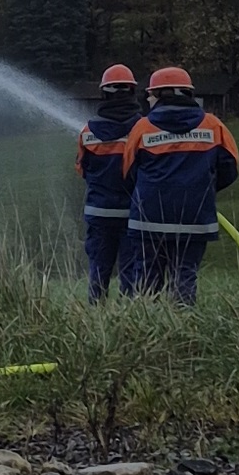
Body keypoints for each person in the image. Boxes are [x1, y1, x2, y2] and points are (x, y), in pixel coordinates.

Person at [121, 67, 239, 305]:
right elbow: (231, 168)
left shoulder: (142, 128)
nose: (147, 99)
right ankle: (184, 330)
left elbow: (128, 172)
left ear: (164, 94)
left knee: (146, 279)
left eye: (151, 94)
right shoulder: (213, 126)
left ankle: (142, 333)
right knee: (185, 276)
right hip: (195, 219)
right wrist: (202, 189)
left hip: (148, 220)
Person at [77, 64, 145, 301]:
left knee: (98, 269)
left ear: (104, 93)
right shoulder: (143, 129)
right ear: (132, 92)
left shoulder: (87, 131)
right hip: (133, 213)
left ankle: (96, 318)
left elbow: (82, 169)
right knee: (131, 271)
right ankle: (129, 321)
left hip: (99, 212)